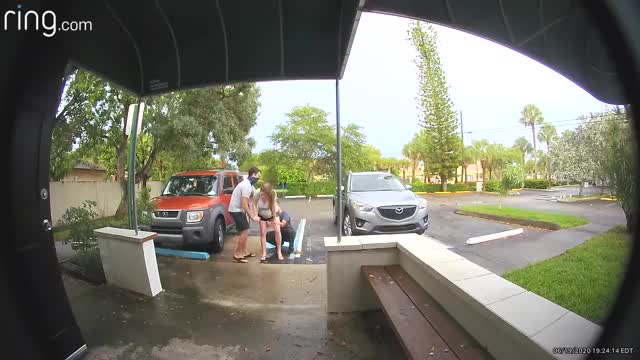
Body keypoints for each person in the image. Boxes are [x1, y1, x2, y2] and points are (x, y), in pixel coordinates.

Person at [230, 167, 261, 263]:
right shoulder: (246, 185)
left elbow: (253, 198)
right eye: (259, 175)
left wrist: (253, 213)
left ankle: (244, 251)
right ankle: (238, 254)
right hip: (236, 210)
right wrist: (252, 217)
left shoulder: (250, 185)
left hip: (240, 210)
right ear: (254, 174)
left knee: (246, 230)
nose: (259, 178)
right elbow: (244, 204)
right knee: (245, 231)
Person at [254, 182, 284, 261]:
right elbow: (254, 204)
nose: (263, 196)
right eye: (262, 194)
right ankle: (264, 253)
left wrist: (274, 219)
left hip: (272, 213)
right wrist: (255, 215)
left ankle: (279, 251)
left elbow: (274, 207)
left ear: (268, 193)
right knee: (263, 233)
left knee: (277, 230)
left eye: (265, 195)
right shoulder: (257, 193)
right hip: (262, 215)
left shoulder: (273, 194)